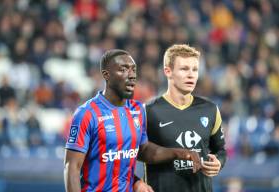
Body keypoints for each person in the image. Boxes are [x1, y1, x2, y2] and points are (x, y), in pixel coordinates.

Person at [64, 49, 201, 192]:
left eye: (133, 69)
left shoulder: (137, 110)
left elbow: (144, 150)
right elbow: (72, 167)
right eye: (123, 69)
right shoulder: (87, 113)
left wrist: (179, 153)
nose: (131, 75)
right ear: (106, 75)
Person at [145, 44, 227, 192]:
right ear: (168, 71)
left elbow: (220, 150)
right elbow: (137, 153)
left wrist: (218, 163)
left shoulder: (210, 109)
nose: (191, 75)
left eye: (195, 69)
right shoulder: (149, 111)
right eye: (184, 69)